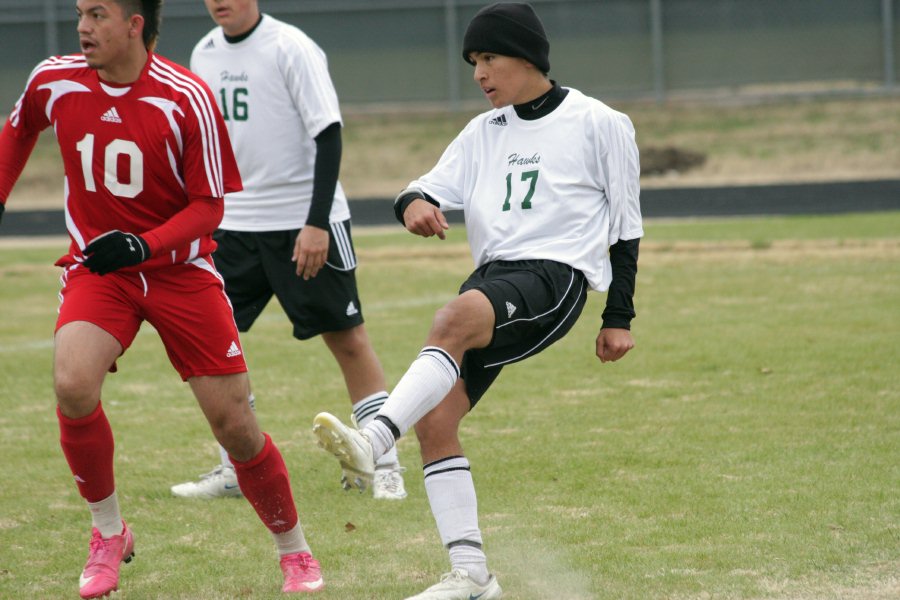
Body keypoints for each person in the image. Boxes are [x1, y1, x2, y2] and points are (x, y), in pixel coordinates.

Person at [312, 2, 643, 598]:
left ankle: (376, 438)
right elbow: (423, 186)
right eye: (472, 62)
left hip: (555, 278)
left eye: (490, 58)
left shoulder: (600, 122)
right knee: (438, 419)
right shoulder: (482, 131)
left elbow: (626, 227)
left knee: (452, 318)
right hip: (493, 280)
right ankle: (472, 576)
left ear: (528, 56)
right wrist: (412, 203)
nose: (479, 73)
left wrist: (617, 315)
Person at [0, 0, 325, 596]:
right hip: (101, 270)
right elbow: (18, 130)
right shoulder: (54, 78)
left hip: (181, 274)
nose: (82, 27)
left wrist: (143, 244)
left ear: (135, 24)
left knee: (235, 426)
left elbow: (210, 207)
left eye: (98, 14)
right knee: (72, 384)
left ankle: (294, 550)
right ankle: (107, 532)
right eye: (79, 12)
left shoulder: (185, 96)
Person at [169, 0, 407, 502]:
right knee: (215, 345)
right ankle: (235, 466)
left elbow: (330, 134)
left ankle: (384, 461)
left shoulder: (291, 47)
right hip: (233, 227)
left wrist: (316, 222)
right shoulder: (204, 52)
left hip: (303, 223)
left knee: (347, 340)